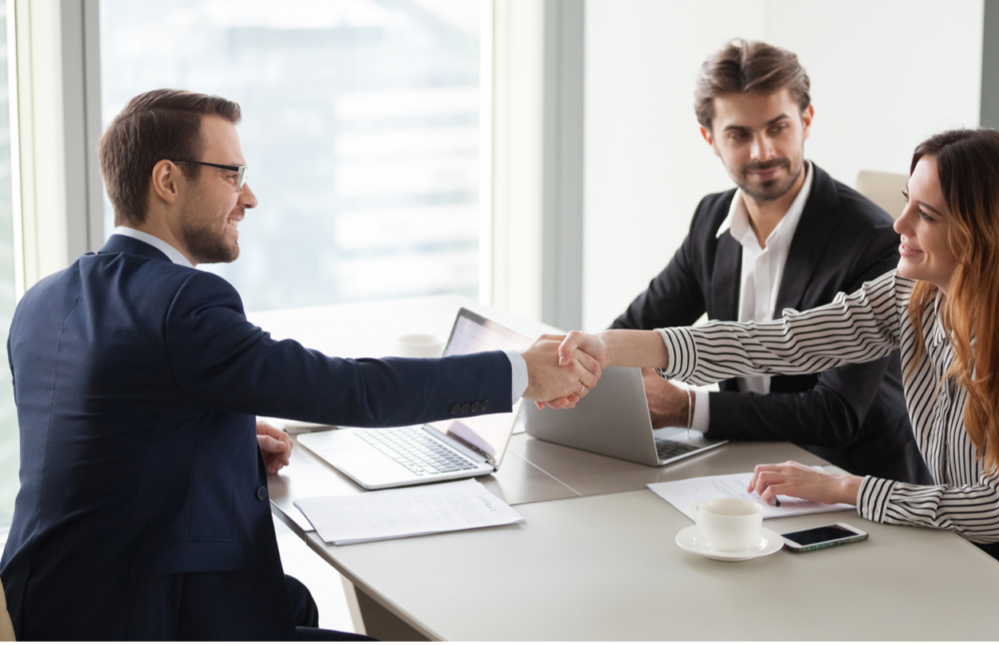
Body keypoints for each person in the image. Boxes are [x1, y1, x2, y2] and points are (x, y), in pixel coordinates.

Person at [0, 89, 598, 642]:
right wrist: (519, 372)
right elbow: (348, 390)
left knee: (296, 604)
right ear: (167, 180)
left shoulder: (43, 300)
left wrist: (222, 442)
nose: (249, 197)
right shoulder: (182, 302)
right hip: (147, 616)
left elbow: (98, 445)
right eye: (231, 174)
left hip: (50, 602)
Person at [559, 129, 999, 640]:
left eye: (925, 216)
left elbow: (993, 512)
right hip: (971, 553)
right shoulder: (912, 296)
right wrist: (609, 347)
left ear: (987, 233)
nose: (898, 225)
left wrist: (840, 489)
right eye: (907, 202)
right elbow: (781, 340)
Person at [609, 39, 928, 484]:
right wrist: (584, 359)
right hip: (744, 473)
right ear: (710, 139)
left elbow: (834, 414)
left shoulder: (873, 242)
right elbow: (634, 331)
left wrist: (686, 407)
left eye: (778, 127)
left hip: (855, 484)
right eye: (739, 134)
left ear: (806, 120)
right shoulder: (711, 219)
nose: (762, 152)